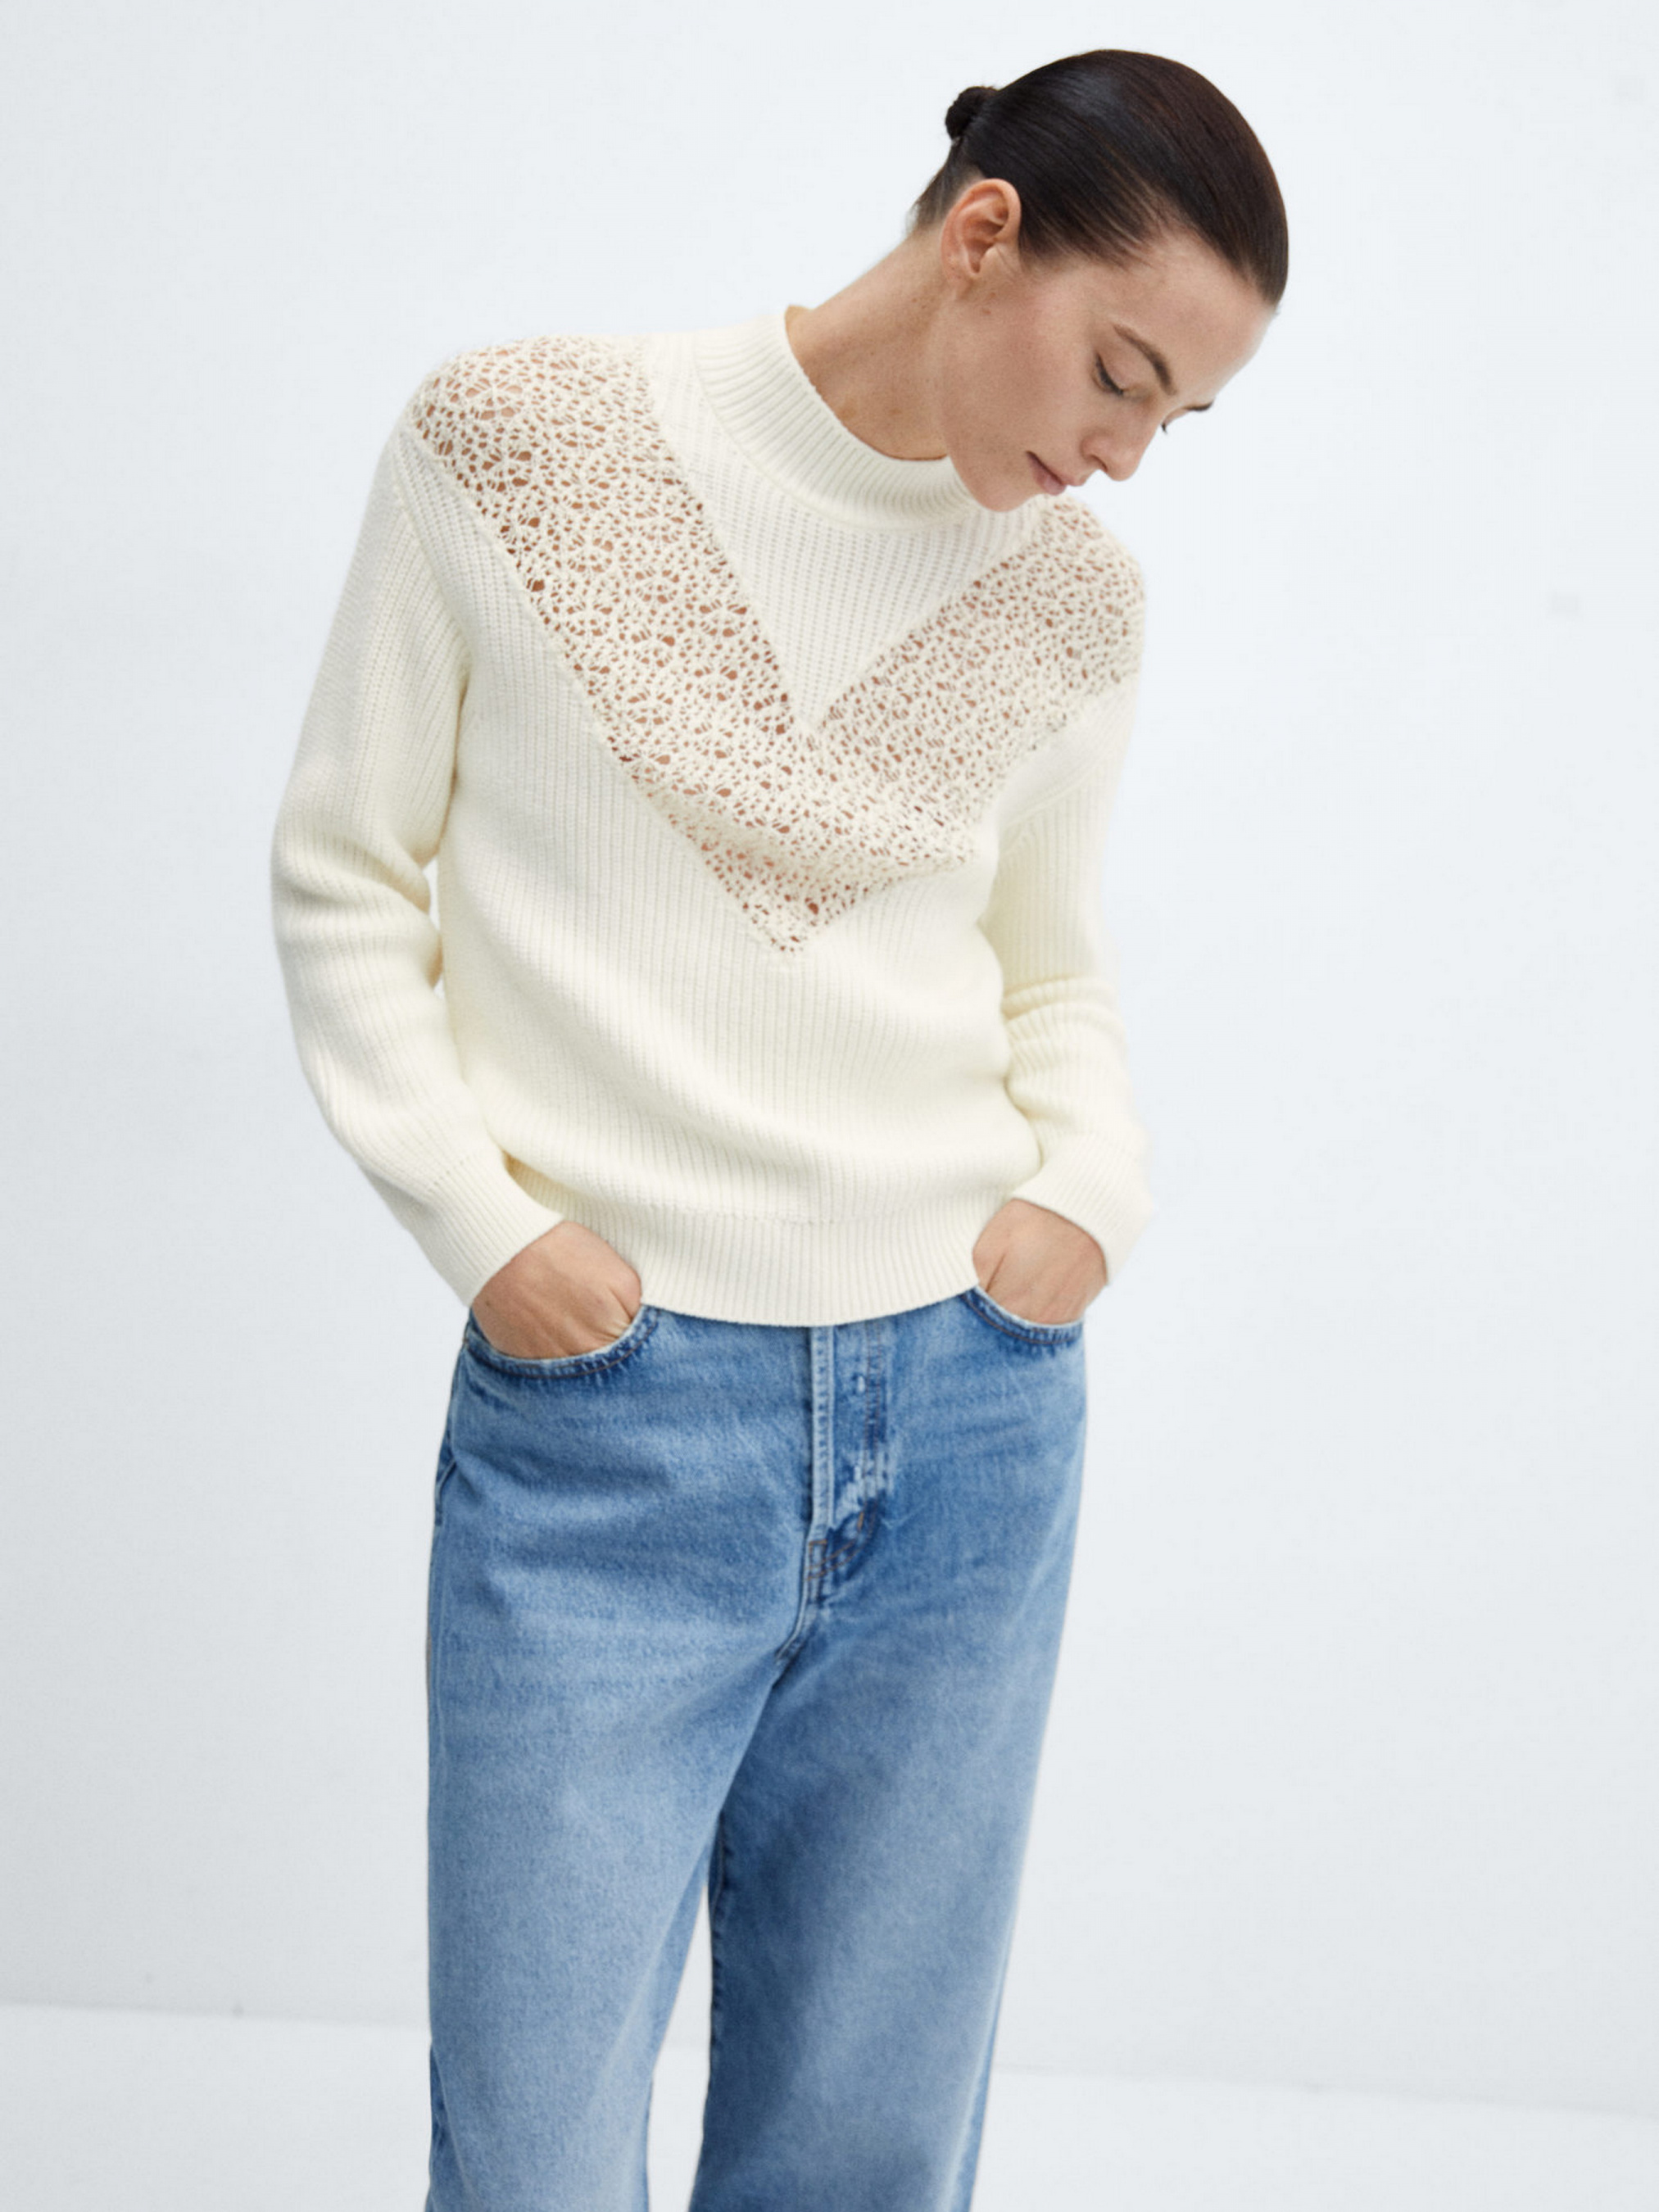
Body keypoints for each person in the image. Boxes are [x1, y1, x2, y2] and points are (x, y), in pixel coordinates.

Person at [270, 45, 1286, 2212]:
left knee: (866, 2151)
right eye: (1120, 374)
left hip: (973, 1416)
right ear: (986, 231)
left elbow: (1049, 968)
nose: (1121, 456)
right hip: (613, 1416)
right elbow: (348, 874)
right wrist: (485, 1229)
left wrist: (1084, 1203)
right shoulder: (519, 443)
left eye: (1173, 422)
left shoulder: (1072, 596)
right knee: (535, 2151)